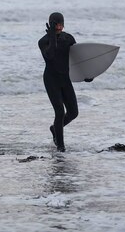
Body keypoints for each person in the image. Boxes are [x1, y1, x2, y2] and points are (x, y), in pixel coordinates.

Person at [38, 12, 92, 151]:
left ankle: (55, 128)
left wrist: (87, 73)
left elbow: (78, 58)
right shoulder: (43, 41)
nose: (60, 27)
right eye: (56, 25)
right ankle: (61, 148)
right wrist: (52, 37)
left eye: (61, 24)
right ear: (51, 24)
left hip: (65, 79)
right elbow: (50, 55)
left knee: (73, 113)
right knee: (60, 113)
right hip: (51, 80)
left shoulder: (68, 38)